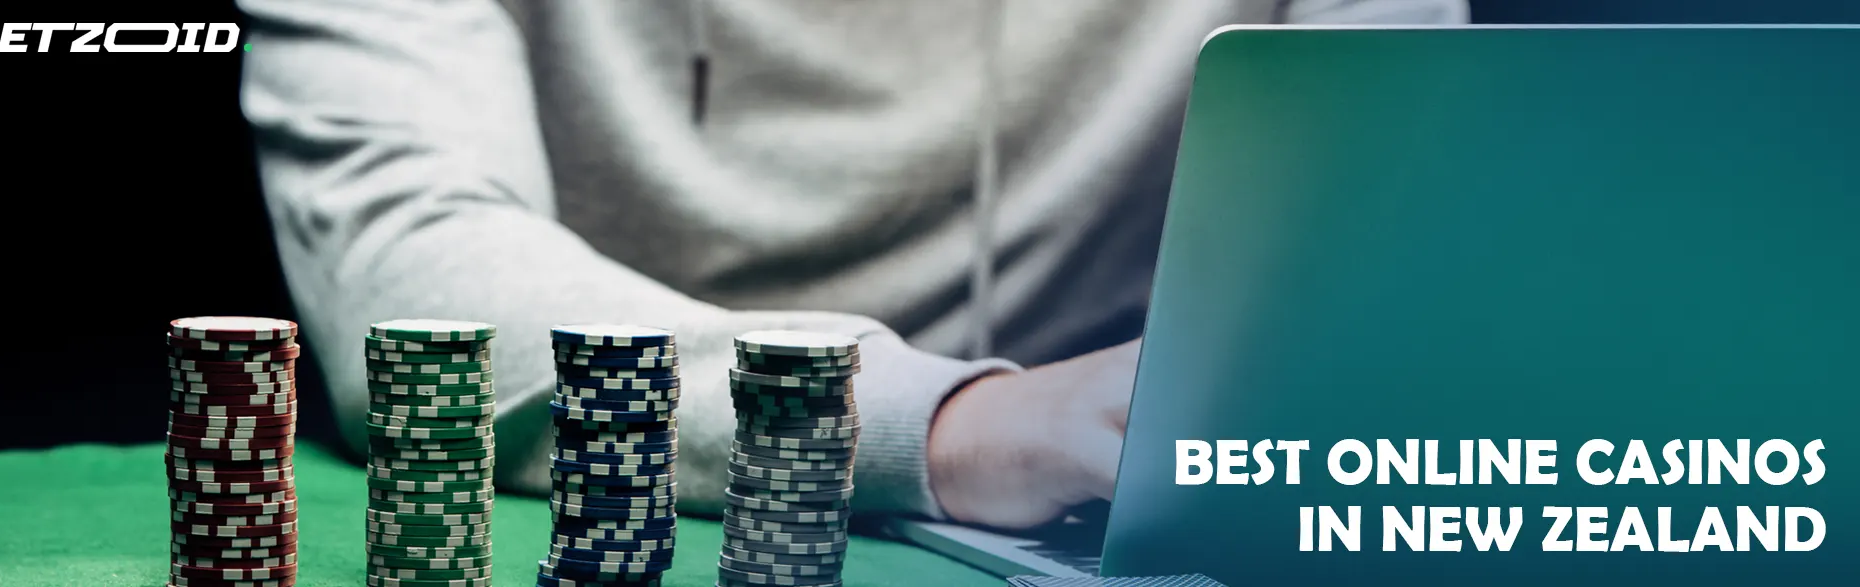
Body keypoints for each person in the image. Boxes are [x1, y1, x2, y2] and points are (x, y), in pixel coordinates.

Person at [237, 0, 1466, 531]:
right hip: (641, 509)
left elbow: (1414, 236)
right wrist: (943, 426)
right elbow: (409, 271)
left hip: (1122, 506)